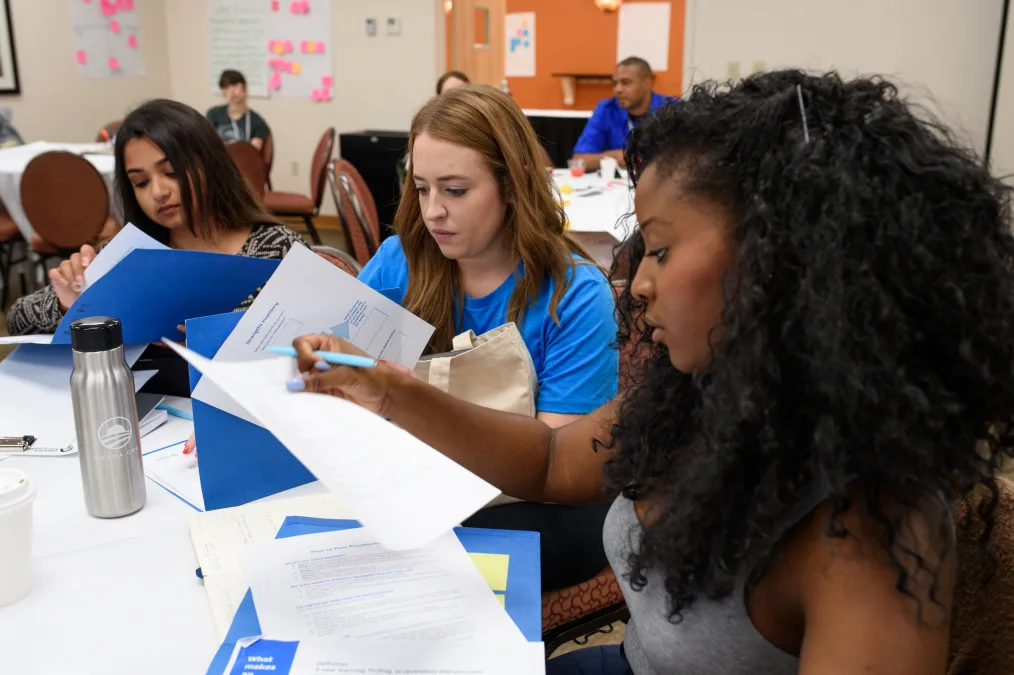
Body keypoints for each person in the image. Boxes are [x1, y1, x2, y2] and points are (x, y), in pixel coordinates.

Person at [289, 70, 1014, 674]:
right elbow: (547, 458)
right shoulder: (698, 391)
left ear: (782, 266)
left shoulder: (873, 534)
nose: (634, 283)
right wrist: (394, 391)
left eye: (660, 251)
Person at [353, 84, 620, 590]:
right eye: (421, 188)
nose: (432, 212)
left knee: (419, 564)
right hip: (416, 485)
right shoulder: (397, 261)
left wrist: (409, 402)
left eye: (454, 190)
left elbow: (551, 467)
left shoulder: (574, 294)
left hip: (533, 503)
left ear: (513, 185)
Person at [7, 99, 304, 339]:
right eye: (141, 183)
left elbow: (323, 331)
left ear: (211, 166)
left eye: (171, 172)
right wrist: (66, 303)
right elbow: (17, 319)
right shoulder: (130, 256)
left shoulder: (275, 247)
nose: (159, 192)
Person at [572, 57, 675, 171]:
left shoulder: (672, 109)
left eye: (626, 82)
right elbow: (579, 160)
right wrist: (613, 157)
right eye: (614, 83)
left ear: (647, 83)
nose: (617, 89)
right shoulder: (606, 109)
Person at [206, 69, 269, 151]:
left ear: (245, 87)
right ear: (224, 92)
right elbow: (207, 145)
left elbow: (253, 155)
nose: (232, 91)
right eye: (227, 87)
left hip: (242, 161)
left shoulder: (257, 121)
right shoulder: (213, 114)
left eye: (235, 85)